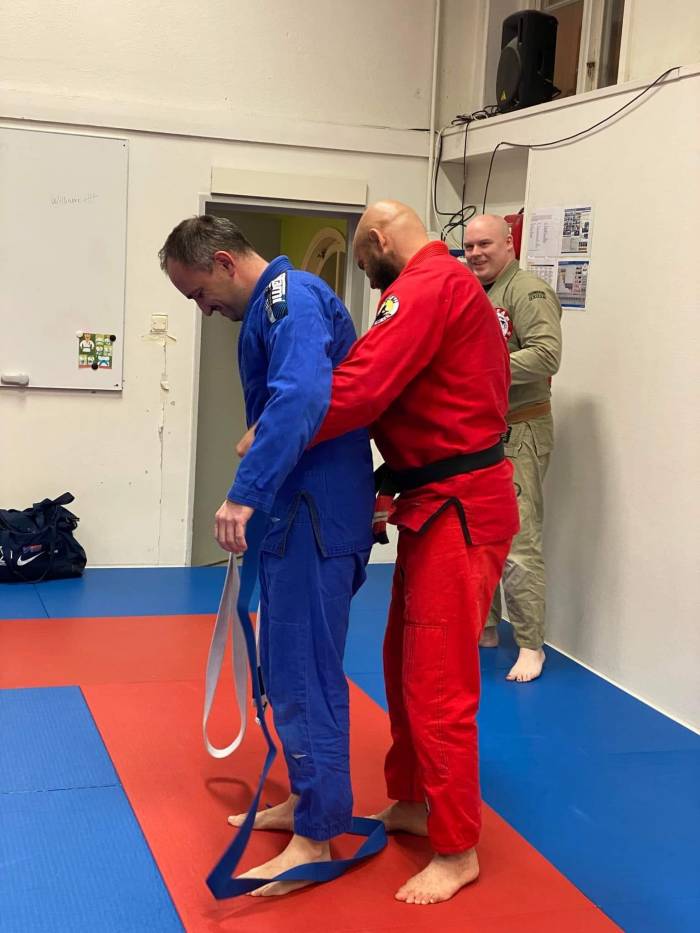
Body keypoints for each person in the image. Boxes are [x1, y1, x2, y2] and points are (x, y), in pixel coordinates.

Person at [158, 215, 375, 896]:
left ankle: (317, 834)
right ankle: (309, 800)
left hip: (313, 513)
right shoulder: (274, 307)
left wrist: (244, 495)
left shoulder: (292, 297)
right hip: (294, 513)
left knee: (306, 673)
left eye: (199, 293)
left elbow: (303, 394)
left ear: (224, 262)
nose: (203, 309)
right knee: (284, 669)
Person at [311, 201, 519, 904]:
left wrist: (280, 428)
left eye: (366, 266)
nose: (372, 280)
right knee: (402, 664)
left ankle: (457, 848)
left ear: (378, 241)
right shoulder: (444, 285)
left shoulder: (427, 286)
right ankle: (410, 799)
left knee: (437, 684)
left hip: (461, 508)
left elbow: (364, 385)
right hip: (433, 501)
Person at [464, 215, 563, 683]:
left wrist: (483, 366)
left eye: (485, 244)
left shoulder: (528, 291)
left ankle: (530, 644)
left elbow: (546, 355)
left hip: (520, 430)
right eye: (469, 246)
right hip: (481, 433)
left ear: (509, 244)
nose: (476, 253)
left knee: (519, 542)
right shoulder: (475, 293)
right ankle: (486, 627)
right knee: (478, 534)